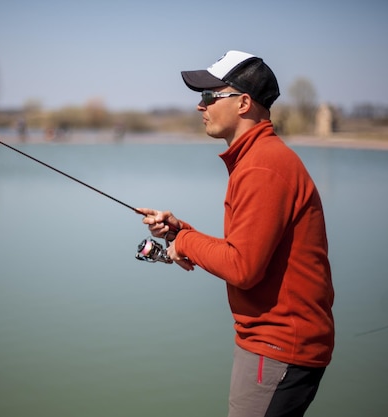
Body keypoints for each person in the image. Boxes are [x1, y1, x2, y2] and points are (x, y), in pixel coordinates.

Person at [138, 50, 334, 417]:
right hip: (275, 346)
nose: (200, 106)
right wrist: (183, 234)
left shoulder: (262, 166)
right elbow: (249, 251)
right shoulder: (260, 158)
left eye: (210, 96)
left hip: (277, 348)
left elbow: (243, 267)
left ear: (244, 103)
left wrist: (185, 243)